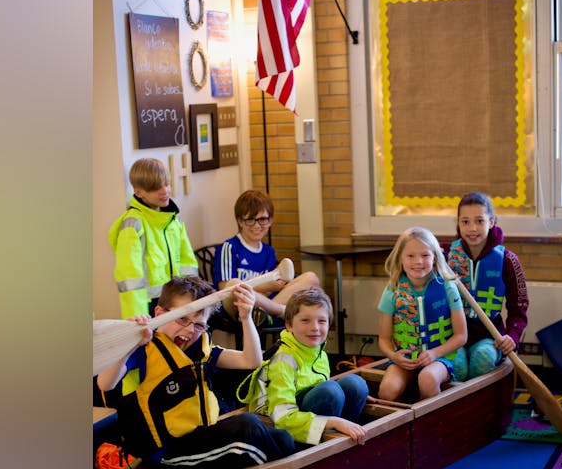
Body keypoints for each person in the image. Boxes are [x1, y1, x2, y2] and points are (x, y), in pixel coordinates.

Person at [96, 275, 295, 469]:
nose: (190, 330)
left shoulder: (201, 350)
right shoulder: (144, 349)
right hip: (166, 456)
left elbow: (251, 361)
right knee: (248, 428)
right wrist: (129, 343)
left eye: (199, 325)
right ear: (159, 314)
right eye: (182, 319)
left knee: (283, 438)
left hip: (200, 438)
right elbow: (105, 383)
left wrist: (246, 317)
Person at [239, 287, 369, 446]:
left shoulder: (318, 351)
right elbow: (281, 418)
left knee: (356, 384)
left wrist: (352, 394)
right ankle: (324, 446)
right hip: (285, 424)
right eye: (305, 320)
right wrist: (331, 421)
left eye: (321, 321)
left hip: (308, 410)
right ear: (289, 325)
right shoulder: (282, 361)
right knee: (331, 391)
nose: (315, 327)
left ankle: (350, 439)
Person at [377, 226, 468, 402]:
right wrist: (394, 356)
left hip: (441, 358)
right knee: (388, 389)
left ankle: (431, 425)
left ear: (434, 258)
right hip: (405, 360)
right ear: (400, 258)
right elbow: (384, 339)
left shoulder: (448, 287)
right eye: (410, 256)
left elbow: (461, 336)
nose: (418, 261)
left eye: (425, 255)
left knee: (427, 379)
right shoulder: (392, 290)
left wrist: (434, 353)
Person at [446, 191, 529, 379]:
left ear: (492, 222)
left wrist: (512, 336)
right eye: (465, 222)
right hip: (452, 336)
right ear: (458, 223)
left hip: (489, 337)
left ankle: (479, 405)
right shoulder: (445, 257)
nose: (472, 228)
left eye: (479, 221)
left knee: (482, 359)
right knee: (456, 366)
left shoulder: (508, 260)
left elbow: (519, 308)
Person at [212, 189, 319, 328]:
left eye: (262, 219)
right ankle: (278, 311)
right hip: (236, 307)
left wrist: (277, 286)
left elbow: (270, 291)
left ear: (270, 221)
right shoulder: (229, 247)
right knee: (235, 285)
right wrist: (268, 286)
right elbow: (225, 290)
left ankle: (266, 313)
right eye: (250, 220)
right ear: (240, 221)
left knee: (311, 278)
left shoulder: (268, 252)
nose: (257, 226)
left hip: (264, 304)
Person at [108, 157, 199, 318]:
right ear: (138, 192)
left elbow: (187, 261)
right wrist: (136, 316)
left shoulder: (173, 219)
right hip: (149, 307)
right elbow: (130, 277)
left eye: (167, 184)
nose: (165, 191)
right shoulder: (133, 224)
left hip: (178, 300)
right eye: (156, 188)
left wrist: (193, 296)